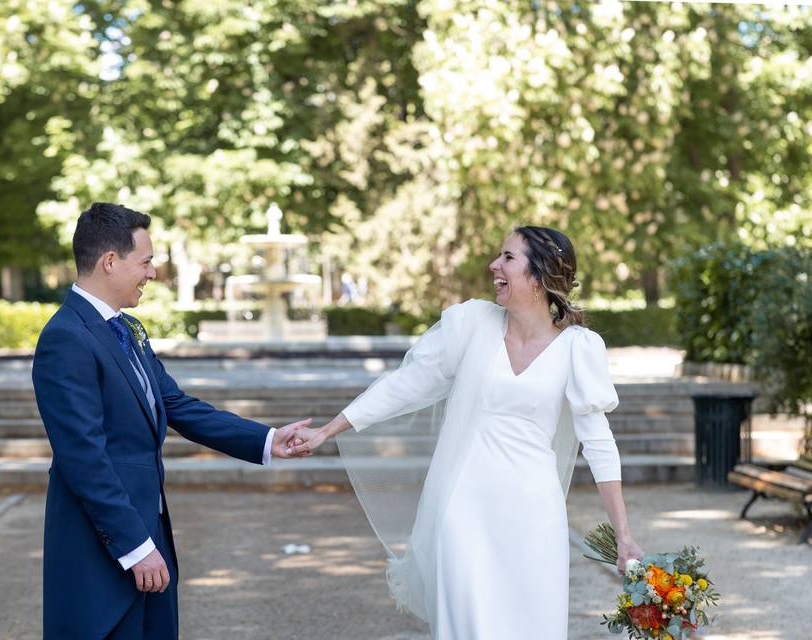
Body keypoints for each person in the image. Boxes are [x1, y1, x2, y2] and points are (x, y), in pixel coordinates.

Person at [291, 226, 644, 639]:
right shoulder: (472, 324)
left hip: (534, 511)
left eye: (508, 258)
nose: (494, 265)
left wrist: (624, 536)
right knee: (467, 623)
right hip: (463, 506)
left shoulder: (578, 349)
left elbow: (598, 442)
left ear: (540, 276)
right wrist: (329, 430)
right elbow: (405, 384)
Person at [32, 202, 310, 639]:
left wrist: (267, 439)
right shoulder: (66, 338)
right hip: (104, 543)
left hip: (148, 530)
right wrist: (136, 547)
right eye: (145, 261)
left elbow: (176, 405)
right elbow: (84, 458)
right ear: (110, 262)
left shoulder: (127, 329)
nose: (152, 273)